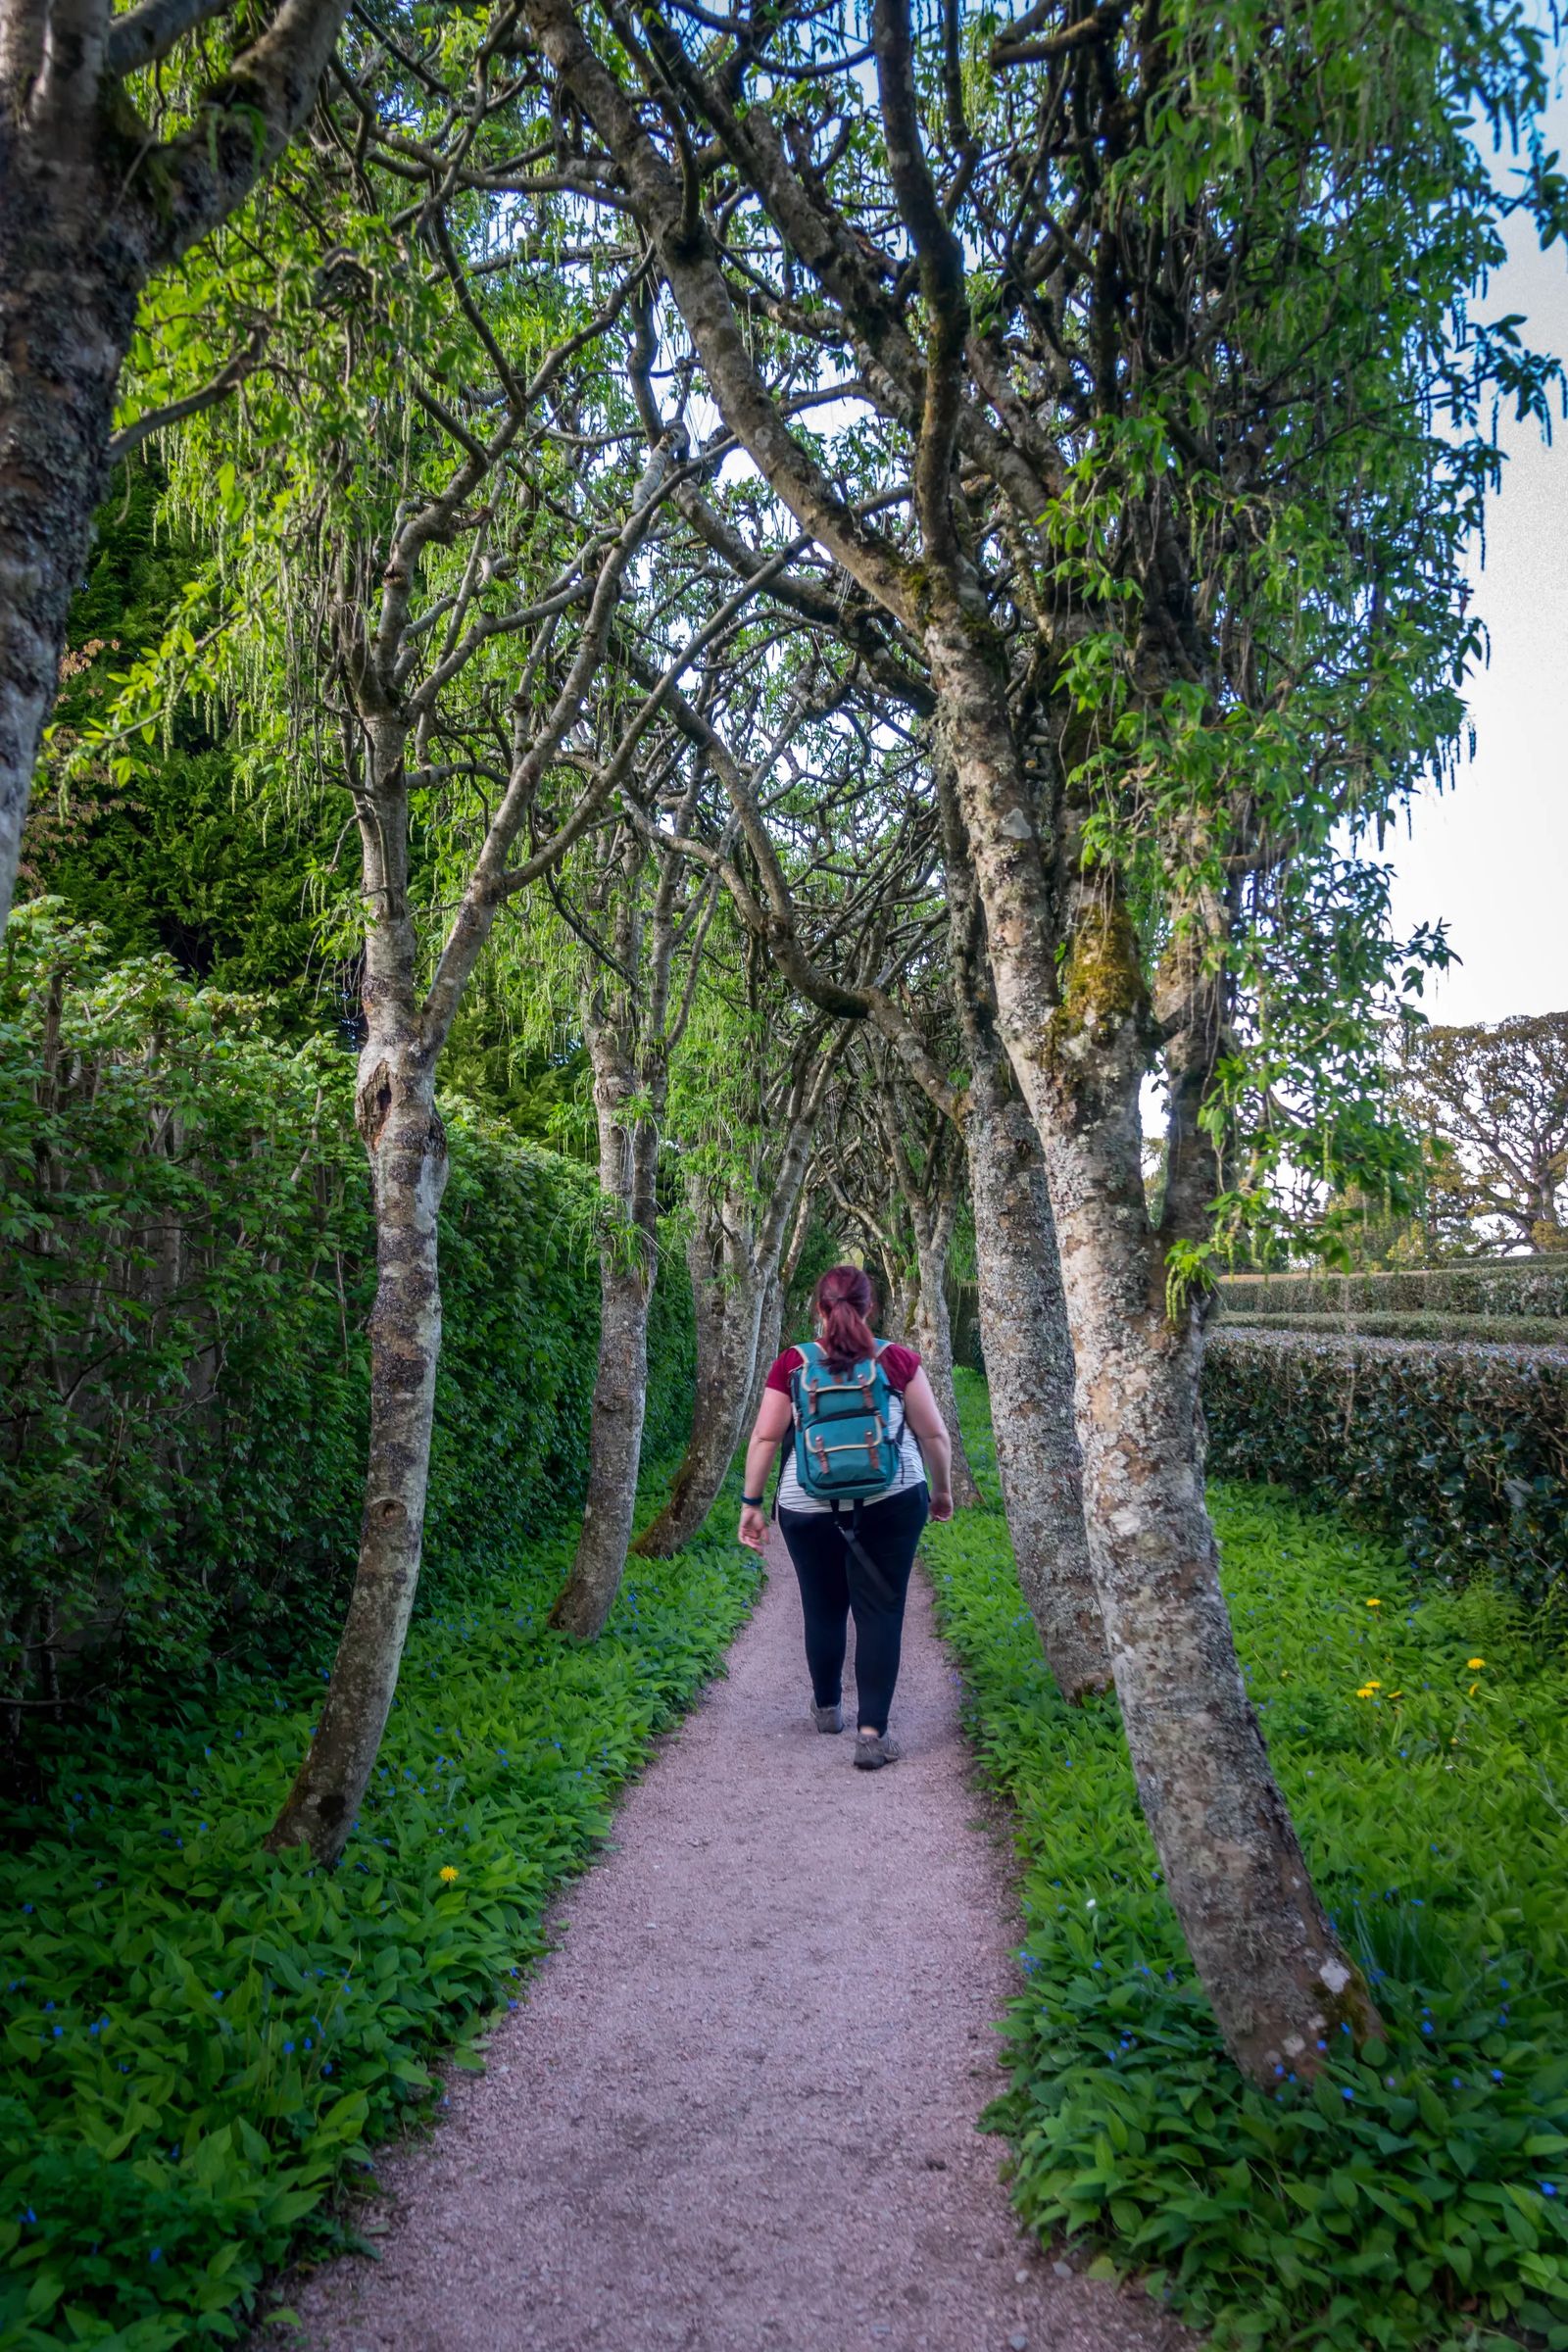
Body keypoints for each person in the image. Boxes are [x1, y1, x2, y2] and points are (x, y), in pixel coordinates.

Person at [737, 1264, 954, 1769]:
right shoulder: (897, 1360)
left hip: (806, 1504)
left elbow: (766, 1438)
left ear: (820, 1309)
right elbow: (935, 1436)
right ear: (869, 1308)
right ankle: (873, 1734)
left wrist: (751, 1506)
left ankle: (828, 1708)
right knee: (881, 1609)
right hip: (893, 1499)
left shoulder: (792, 1362)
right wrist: (940, 1492)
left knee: (823, 1604)